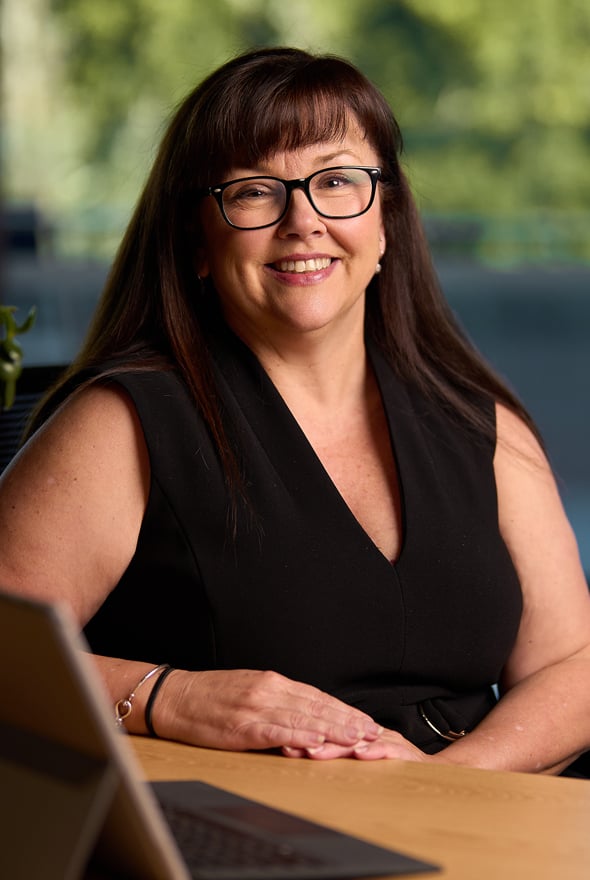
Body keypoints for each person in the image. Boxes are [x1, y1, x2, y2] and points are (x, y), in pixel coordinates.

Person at [1, 46, 589, 775]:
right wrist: (166, 698)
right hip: (241, 840)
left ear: (389, 220)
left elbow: (573, 664)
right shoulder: (125, 422)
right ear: (198, 243)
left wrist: (448, 782)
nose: (302, 220)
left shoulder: (480, 422)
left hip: (474, 827)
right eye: (253, 191)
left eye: (337, 181)